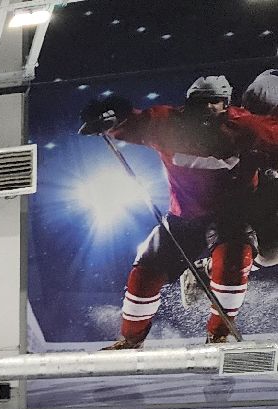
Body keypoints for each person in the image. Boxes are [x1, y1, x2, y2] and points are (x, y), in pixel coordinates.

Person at [80, 77, 278, 347]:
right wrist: (109, 118)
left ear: (227, 104)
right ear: (188, 105)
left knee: (235, 259)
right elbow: (133, 122)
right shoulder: (168, 124)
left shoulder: (247, 127)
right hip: (182, 218)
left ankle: (219, 332)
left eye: (215, 103)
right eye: (202, 103)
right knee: (146, 268)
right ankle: (129, 338)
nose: (209, 109)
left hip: (230, 217)